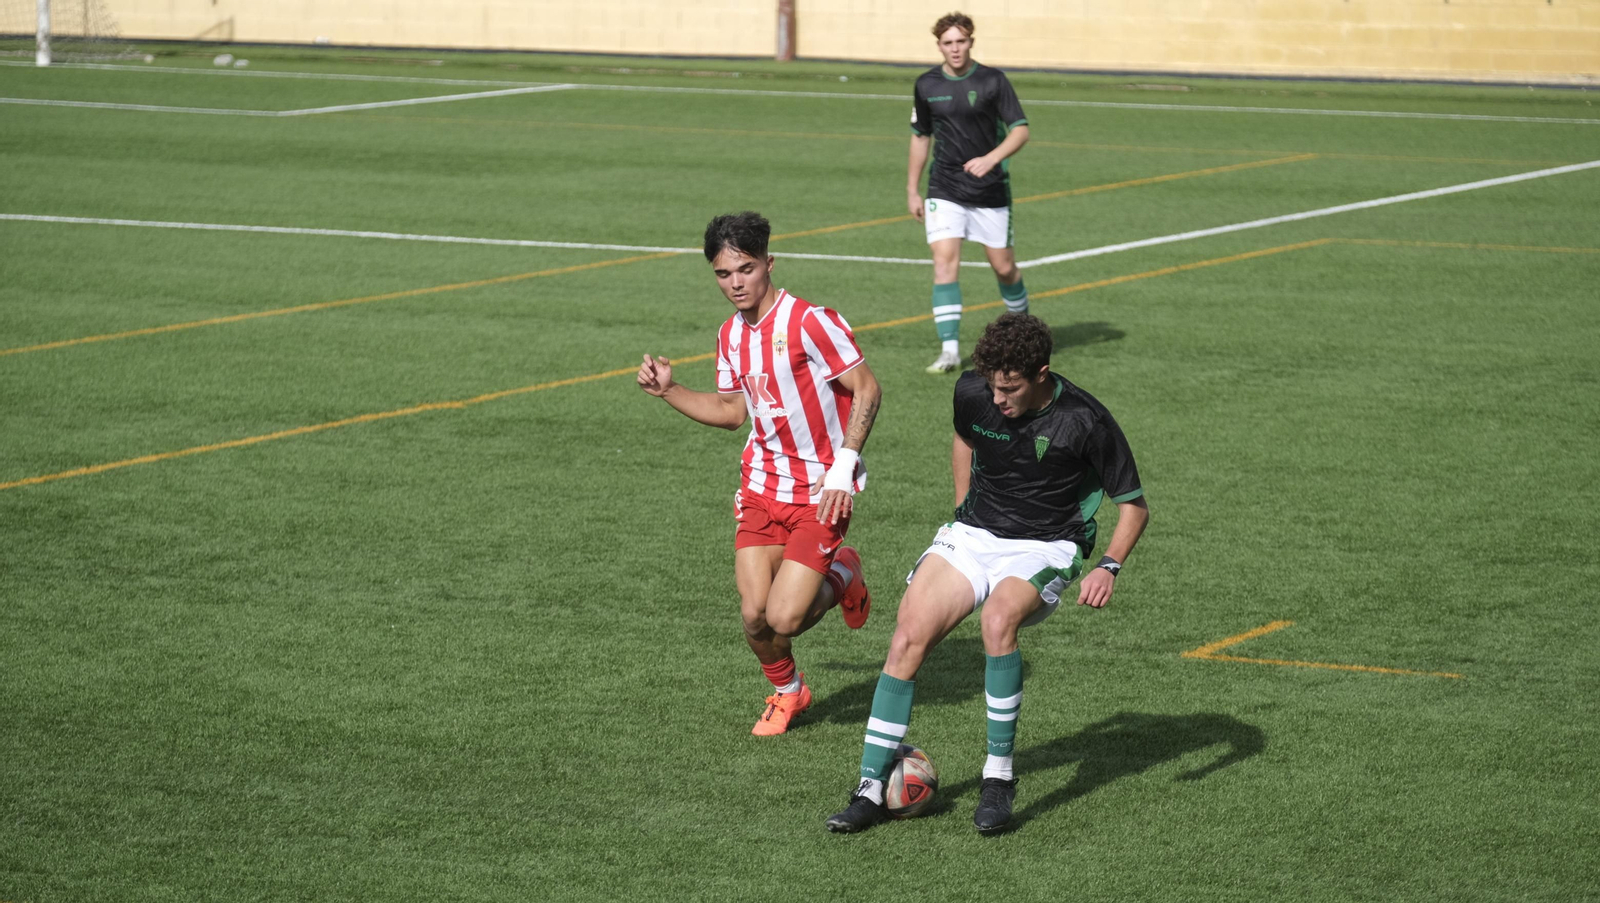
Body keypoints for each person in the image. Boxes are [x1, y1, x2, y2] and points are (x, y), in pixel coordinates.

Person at [825, 313, 1150, 834]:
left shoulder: (1085, 420)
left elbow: (1133, 507)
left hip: (1046, 546)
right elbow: (965, 439)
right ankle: (869, 788)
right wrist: (961, 508)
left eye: (1011, 389)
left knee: (997, 621)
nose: (998, 399)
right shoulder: (973, 391)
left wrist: (1109, 566)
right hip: (975, 535)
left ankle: (998, 778)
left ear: (1041, 373)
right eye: (993, 387)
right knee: (908, 634)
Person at [638, 211, 883, 736]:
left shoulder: (812, 322)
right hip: (760, 488)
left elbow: (867, 389)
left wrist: (843, 467)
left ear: (769, 263)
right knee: (755, 617)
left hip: (820, 491)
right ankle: (788, 692)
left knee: (786, 619)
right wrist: (668, 391)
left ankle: (845, 573)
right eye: (723, 274)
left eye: (745, 269)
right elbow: (732, 412)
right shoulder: (729, 335)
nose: (735, 284)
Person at [908, 11, 1033, 374]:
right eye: (948, 43)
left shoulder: (993, 80)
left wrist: (991, 159)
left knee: (1004, 268)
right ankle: (949, 351)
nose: (955, 48)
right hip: (944, 187)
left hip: (990, 190)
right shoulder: (926, 84)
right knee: (944, 262)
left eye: (961, 41)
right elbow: (920, 138)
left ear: (971, 41)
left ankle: (1023, 334)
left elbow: (1020, 130)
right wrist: (912, 190)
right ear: (939, 46)